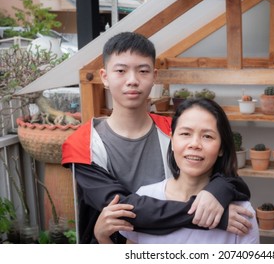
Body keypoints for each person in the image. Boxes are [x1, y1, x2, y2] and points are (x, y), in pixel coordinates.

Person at [62, 32, 253, 243]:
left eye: (142, 71)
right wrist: (211, 217)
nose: (132, 80)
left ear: (154, 76)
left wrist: (216, 191)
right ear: (104, 77)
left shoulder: (174, 132)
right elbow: (123, 208)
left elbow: (231, 177)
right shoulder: (83, 144)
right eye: (121, 71)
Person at [96, 98, 260, 244]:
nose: (195, 144)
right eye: (185, 133)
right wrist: (103, 238)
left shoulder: (240, 214)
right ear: (172, 140)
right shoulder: (145, 197)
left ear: (221, 148)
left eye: (207, 136)